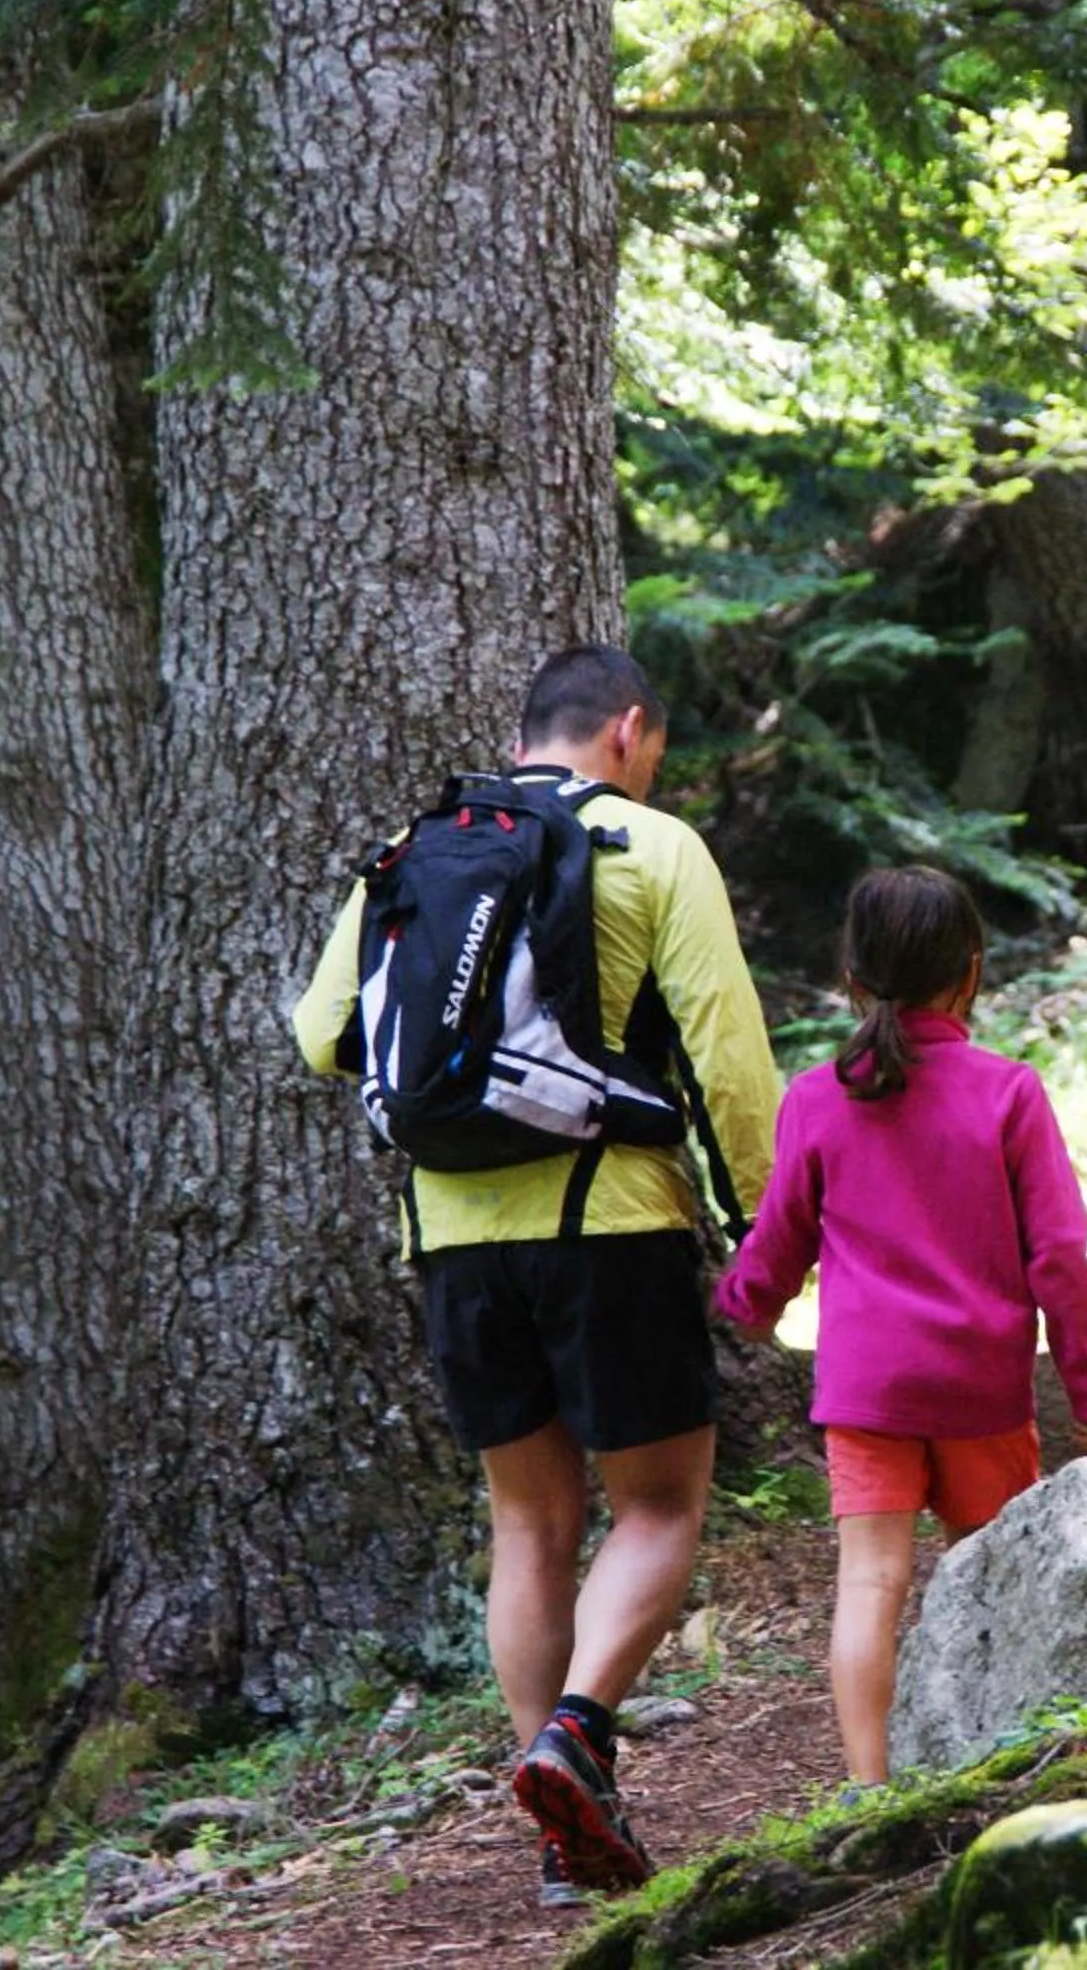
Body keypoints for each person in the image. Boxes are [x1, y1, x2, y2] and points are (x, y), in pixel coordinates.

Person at [290, 645, 779, 1908]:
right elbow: (726, 1054)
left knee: (530, 1522)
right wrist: (765, 1219)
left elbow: (322, 1032)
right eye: (653, 750)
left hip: (455, 1242)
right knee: (658, 1504)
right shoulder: (653, 848)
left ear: (522, 736)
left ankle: (562, 1837)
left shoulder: (417, 847)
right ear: (628, 729)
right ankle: (577, 1731)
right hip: (611, 1224)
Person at [714, 865, 1087, 1787]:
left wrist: (744, 1306)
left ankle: (868, 1788)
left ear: (851, 977)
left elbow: (779, 1239)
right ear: (971, 971)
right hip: (982, 1387)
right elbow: (1060, 1255)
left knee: (870, 1582)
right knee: (992, 1570)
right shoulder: (1008, 1092)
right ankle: (1005, 1755)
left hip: (867, 1392)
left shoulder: (816, 1098)